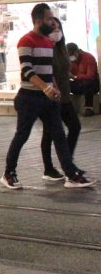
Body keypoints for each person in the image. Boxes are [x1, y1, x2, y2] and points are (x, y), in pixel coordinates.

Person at [1, 4, 95, 189]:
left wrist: (55, 87)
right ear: (38, 20)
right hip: (29, 97)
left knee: (59, 135)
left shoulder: (47, 42)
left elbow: (48, 71)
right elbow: (27, 70)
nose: (52, 22)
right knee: (22, 135)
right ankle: (8, 173)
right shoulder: (26, 41)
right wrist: (46, 88)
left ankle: (71, 175)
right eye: (49, 19)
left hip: (48, 98)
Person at [41, 20, 79, 182]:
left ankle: (67, 163)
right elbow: (47, 73)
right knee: (49, 133)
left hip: (65, 95)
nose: (56, 30)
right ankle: (50, 168)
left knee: (75, 127)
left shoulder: (61, 48)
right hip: (51, 96)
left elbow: (64, 69)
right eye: (53, 27)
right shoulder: (45, 49)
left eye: (58, 27)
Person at [67, 43, 99, 116]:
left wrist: (75, 77)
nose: (71, 57)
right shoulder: (69, 60)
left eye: (71, 55)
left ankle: (89, 109)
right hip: (78, 84)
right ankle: (65, 107)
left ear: (77, 52)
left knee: (88, 83)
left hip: (91, 85)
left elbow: (90, 76)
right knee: (64, 84)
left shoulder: (89, 58)